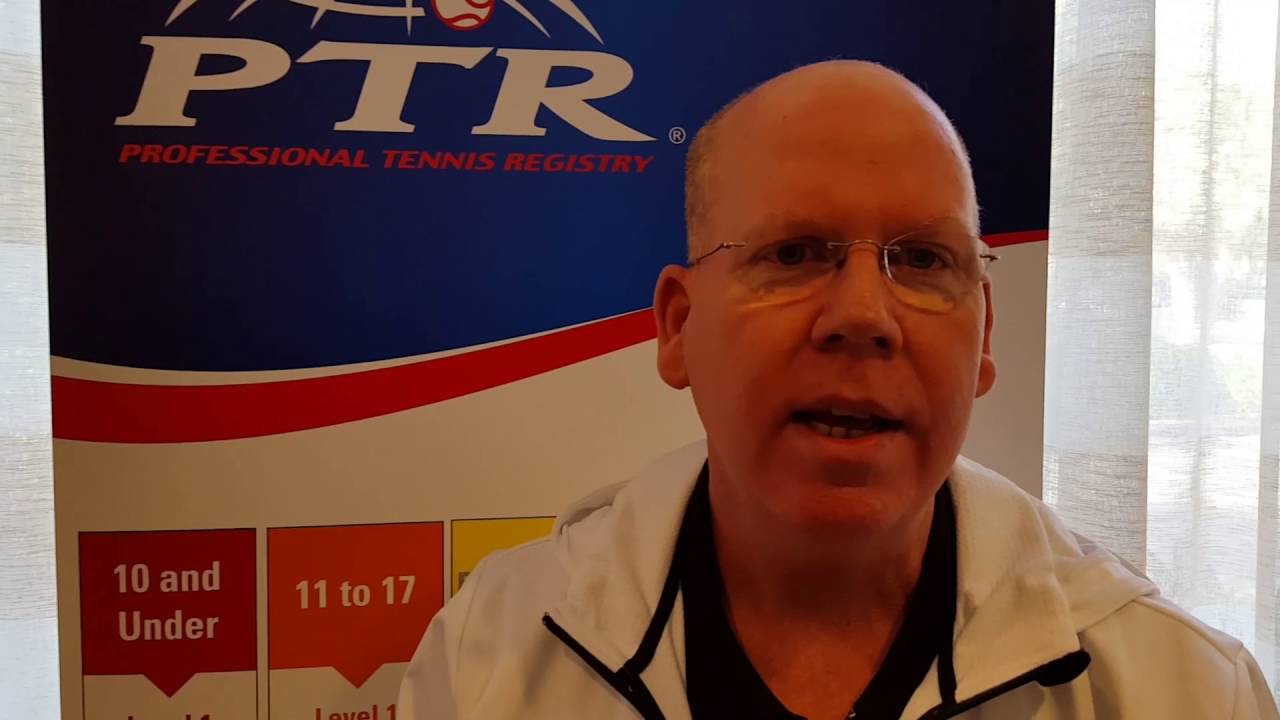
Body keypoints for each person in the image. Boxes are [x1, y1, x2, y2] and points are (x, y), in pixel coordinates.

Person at [397, 60, 1280, 719]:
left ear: (983, 339)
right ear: (678, 327)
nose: (864, 316)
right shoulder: (489, 657)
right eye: (793, 253)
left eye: (924, 260)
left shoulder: (1186, 690)